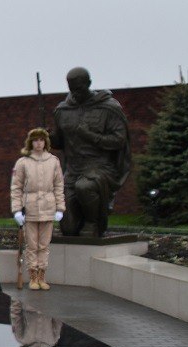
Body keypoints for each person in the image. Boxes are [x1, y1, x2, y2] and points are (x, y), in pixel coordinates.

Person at [52, 67, 132, 237]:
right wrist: (48, 138)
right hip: (73, 169)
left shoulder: (108, 108)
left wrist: (90, 136)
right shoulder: (63, 110)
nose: (76, 93)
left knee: (85, 186)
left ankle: (93, 223)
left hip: (99, 166)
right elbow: (60, 141)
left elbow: (119, 140)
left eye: (79, 88)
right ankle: (78, 222)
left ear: (88, 83)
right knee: (68, 228)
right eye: (72, 89)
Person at [11, 127, 65, 290]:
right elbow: (16, 187)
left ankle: (42, 276)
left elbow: (59, 185)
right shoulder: (23, 162)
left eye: (41, 140)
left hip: (49, 206)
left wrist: (60, 208)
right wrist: (17, 210)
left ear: (45, 142)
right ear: (31, 142)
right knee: (32, 245)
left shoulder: (54, 161)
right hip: (30, 208)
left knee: (44, 245)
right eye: (35, 140)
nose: (38, 143)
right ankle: (33, 276)